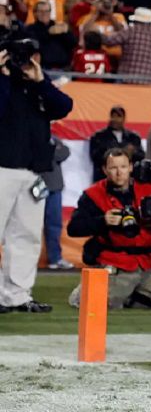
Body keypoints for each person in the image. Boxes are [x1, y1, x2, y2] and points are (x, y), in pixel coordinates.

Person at [66, 148, 151, 309]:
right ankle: (103, 293)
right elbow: (73, 229)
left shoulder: (149, 190)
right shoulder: (93, 195)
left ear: (131, 167)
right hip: (115, 262)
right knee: (89, 303)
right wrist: (103, 221)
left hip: (146, 263)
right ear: (105, 170)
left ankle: (130, 296)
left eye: (123, 167)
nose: (119, 173)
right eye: (113, 168)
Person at [0, 40, 73, 312]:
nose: (25, 61)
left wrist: (41, 80)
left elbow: (64, 106)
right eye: (20, 55)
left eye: (30, 55)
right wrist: (2, 77)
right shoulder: (3, 83)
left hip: (33, 173)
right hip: (2, 168)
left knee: (27, 236)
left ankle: (17, 296)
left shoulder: (38, 84)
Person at [104, 7, 151, 77]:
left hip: (127, 78)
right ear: (150, 22)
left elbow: (108, 41)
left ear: (135, 20)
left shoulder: (129, 31)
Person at [43, 137, 73, 270]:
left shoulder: (53, 138)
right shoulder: (28, 134)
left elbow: (65, 152)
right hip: (33, 187)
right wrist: (53, 151)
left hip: (54, 187)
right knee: (27, 226)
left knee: (54, 225)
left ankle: (55, 258)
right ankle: (24, 260)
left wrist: (46, 151)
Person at [89, 105, 143, 177]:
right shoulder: (98, 137)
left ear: (124, 118)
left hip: (128, 179)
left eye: (118, 116)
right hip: (105, 178)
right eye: (113, 116)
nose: (115, 119)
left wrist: (133, 152)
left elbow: (141, 156)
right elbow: (95, 157)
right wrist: (121, 151)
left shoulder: (133, 137)